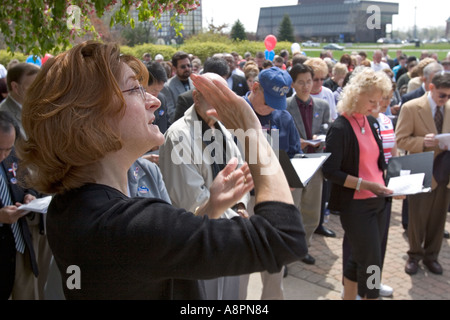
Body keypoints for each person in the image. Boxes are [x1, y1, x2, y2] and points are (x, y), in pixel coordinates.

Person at [16, 41, 307, 300]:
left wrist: (212, 205)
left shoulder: (68, 208)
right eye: (134, 89)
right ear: (89, 117)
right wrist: (251, 131)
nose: (154, 100)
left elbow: (148, 260)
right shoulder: (127, 226)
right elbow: (283, 237)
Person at [159, 73, 250, 300]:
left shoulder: (222, 128)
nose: (221, 105)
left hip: (227, 233)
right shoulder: (179, 136)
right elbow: (192, 201)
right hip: (199, 238)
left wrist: (240, 206)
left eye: (224, 98)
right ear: (196, 97)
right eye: (214, 98)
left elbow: (238, 171)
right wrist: (237, 221)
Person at [322, 67, 394, 300]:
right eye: (371, 100)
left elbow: (378, 163)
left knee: (358, 257)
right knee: (372, 262)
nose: (376, 106)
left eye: (379, 101)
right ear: (356, 94)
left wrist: (394, 185)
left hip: (379, 201)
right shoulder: (340, 127)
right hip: (357, 206)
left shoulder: (371, 122)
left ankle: (349, 297)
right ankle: (371, 296)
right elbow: (330, 171)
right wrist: (366, 185)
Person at [239, 67, 303, 300]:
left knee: (275, 265)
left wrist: (295, 176)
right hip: (243, 200)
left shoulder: (282, 117)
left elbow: (295, 154)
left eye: (279, 102)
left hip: (275, 200)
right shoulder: (234, 113)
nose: (272, 108)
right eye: (269, 101)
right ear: (254, 87)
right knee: (240, 264)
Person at [395, 72, 450, 276]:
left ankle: (431, 256)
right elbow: (400, 139)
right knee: (417, 217)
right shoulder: (411, 107)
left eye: (448, 96)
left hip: (445, 171)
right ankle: (414, 255)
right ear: (431, 88)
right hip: (421, 167)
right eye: (442, 95)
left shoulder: (449, 107)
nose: (445, 100)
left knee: (439, 218)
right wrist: (421, 142)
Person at [287, 63, 330, 265]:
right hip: (293, 164)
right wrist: (299, 143)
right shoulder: (285, 106)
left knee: (312, 211)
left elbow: (327, 131)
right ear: (293, 84)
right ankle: (286, 252)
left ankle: (303, 247)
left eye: (309, 81)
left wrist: (321, 139)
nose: (306, 86)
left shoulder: (322, 106)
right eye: (301, 82)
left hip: (315, 163)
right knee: (291, 210)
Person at [0, 110, 39, 300]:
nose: (4, 155)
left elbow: (29, 184)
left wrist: (30, 197)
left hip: (20, 245)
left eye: (8, 149)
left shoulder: (12, 153)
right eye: (0, 149)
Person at [0, 63, 40, 138]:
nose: (40, 91)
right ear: (15, 87)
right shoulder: (4, 116)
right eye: (33, 87)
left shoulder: (34, 108)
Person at [161, 51, 194, 122]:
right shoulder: (167, 87)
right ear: (174, 69)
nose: (187, 69)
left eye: (189, 65)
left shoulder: (195, 82)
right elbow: (171, 115)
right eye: (183, 67)